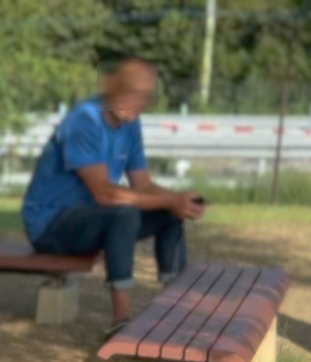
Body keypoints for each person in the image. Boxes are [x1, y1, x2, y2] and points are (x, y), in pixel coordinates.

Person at [21, 57, 207, 330]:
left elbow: (142, 185)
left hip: (91, 219)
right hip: (50, 225)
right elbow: (104, 194)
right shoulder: (84, 120)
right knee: (123, 214)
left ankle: (178, 308)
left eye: (143, 97)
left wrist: (178, 201)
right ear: (112, 87)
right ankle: (121, 321)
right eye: (130, 92)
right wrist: (170, 199)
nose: (136, 102)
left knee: (168, 213)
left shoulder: (130, 124)